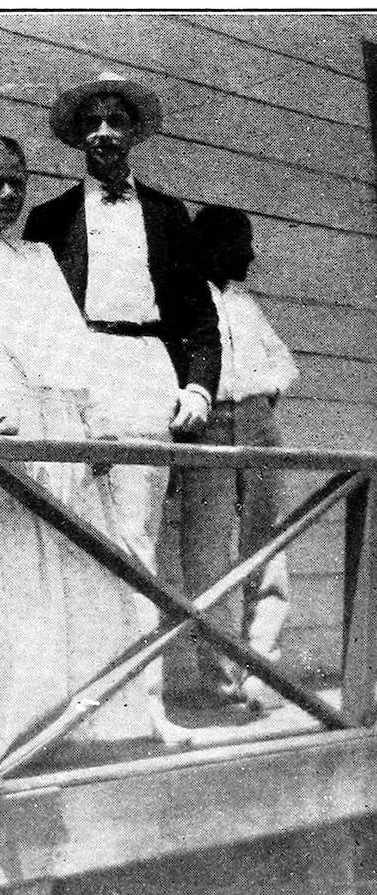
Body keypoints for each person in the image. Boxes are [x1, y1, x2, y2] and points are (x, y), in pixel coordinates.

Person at [23, 72, 221, 741]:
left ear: (134, 132)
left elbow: (198, 317)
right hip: (74, 375)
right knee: (75, 539)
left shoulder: (167, 215)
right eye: (94, 122)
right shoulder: (49, 220)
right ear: (79, 135)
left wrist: (196, 385)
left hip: (143, 373)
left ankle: (146, 710)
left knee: (136, 543)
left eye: (117, 121)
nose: (105, 133)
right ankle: (82, 716)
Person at [0, 136, 148, 758]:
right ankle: (14, 728)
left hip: (64, 422)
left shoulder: (39, 256)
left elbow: (72, 344)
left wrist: (96, 418)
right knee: (17, 577)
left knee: (81, 566)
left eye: (15, 183)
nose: (5, 195)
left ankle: (88, 719)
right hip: (12, 423)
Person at [176, 205, 298, 712]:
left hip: (256, 424)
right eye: (239, 243)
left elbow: (284, 364)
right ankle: (218, 674)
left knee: (266, 544)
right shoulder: (186, 299)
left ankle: (260, 668)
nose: (249, 255)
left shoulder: (246, 303)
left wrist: (261, 396)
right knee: (208, 547)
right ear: (212, 246)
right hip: (210, 426)